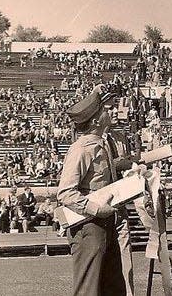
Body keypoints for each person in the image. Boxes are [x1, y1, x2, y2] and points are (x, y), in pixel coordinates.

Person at [57, 85, 131, 296]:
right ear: (96, 120)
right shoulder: (81, 149)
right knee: (88, 290)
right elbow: (65, 193)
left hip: (107, 223)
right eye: (108, 108)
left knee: (114, 289)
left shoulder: (103, 144)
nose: (114, 111)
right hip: (88, 226)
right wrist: (98, 210)